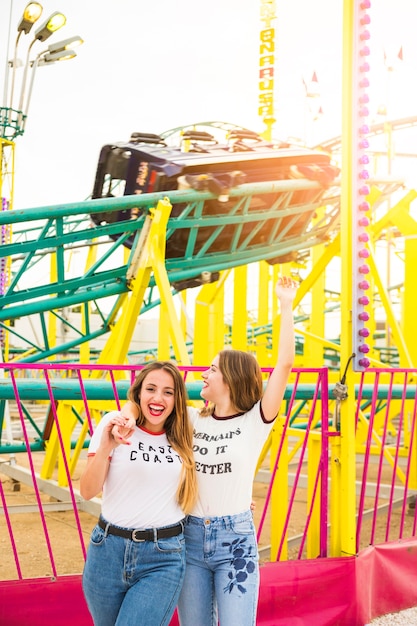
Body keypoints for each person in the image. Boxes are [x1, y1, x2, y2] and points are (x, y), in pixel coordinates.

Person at [120, 275, 297, 626]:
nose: (203, 374)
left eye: (212, 369)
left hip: (236, 543)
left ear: (230, 379)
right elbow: (142, 402)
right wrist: (126, 415)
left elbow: (285, 365)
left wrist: (286, 304)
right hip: (188, 534)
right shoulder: (189, 419)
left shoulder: (256, 421)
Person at [80, 361, 198, 626]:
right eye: (151, 389)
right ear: (139, 393)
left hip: (162, 556)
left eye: (168, 392)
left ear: (177, 398)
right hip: (107, 551)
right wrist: (106, 447)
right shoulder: (114, 424)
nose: (158, 398)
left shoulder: (188, 430)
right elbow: (87, 491)